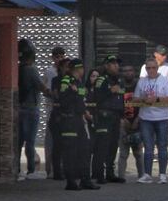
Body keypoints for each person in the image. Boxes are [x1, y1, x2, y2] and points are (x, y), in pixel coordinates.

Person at [58, 59, 99, 191]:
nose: (83, 71)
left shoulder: (79, 83)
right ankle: (71, 182)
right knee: (70, 152)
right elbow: (63, 101)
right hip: (69, 121)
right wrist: (73, 92)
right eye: (82, 68)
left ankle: (85, 180)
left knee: (85, 150)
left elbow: (81, 101)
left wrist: (86, 113)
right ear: (77, 68)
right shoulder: (66, 81)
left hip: (80, 120)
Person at [134, 56, 168, 184]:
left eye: (153, 68)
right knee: (148, 147)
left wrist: (157, 99)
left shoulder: (164, 80)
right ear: (145, 69)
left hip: (162, 118)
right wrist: (143, 99)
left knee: (162, 146)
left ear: (157, 68)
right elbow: (134, 99)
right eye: (148, 68)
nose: (151, 70)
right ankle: (147, 174)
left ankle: (162, 174)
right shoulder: (142, 81)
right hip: (146, 118)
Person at [92, 55, 126, 184]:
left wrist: (122, 115)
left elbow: (121, 99)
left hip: (116, 116)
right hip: (104, 115)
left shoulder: (119, 80)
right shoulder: (102, 79)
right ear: (106, 65)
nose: (116, 66)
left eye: (117, 63)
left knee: (113, 146)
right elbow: (97, 96)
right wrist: (110, 90)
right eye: (113, 63)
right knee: (102, 146)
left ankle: (110, 173)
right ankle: (99, 174)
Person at [17, 49, 50, 181]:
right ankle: (31, 170)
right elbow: (40, 86)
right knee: (30, 142)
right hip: (31, 109)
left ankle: (16, 169)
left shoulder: (18, 69)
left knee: (18, 141)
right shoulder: (31, 70)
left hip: (19, 108)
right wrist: (51, 93)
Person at [118, 63, 144, 181]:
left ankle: (142, 176)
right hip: (123, 122)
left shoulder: (139, 86)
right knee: (123, 153)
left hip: (138, 121)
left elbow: (144, 104)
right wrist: (122, 119)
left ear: (134, 72)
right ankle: (121, 176)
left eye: (130, 70)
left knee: (138, 152)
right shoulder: (119, 86)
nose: (128, 73)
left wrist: (138, 119)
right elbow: (116, 105)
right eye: (126, 71)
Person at [47, 58, 71, 182]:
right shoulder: (57, 80)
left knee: (69, 145)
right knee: (58, 145)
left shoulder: (73, 81)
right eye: (66, 66)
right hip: (58, 117)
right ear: (60, 68)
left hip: (69, 116)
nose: (68, 69)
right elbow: (56, 95)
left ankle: (68, 170)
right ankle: (57, 171)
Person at [44, 46, 66, 179]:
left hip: (64, 113)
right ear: (53, 58)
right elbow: (46, 90)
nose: (60, 59)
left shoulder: (66, 73)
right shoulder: (50, 72)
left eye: (61, 56)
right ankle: (50, 170)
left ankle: (62, 168)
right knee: (51, 143)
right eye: (57, 57)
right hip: (52, 112)